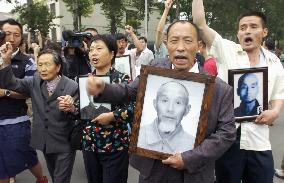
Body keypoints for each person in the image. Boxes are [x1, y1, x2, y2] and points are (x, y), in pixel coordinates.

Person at [86, 20, 236, 183]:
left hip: (195, 176)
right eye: (174, 41)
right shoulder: (154, 70)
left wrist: (190, 158)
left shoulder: (219, 89)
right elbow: (129, 91)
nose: (180, 47)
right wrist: (103, 88)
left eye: (187, 41)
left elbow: (227, 133)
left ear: (199, 45)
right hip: (153, 172)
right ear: (166, 44)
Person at [192, 0, 284, 182]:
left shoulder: (274, 62)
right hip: (228, 138)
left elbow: (278, 95)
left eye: (253, 27)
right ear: (238, 33)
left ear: (264, 32)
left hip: (259, 140)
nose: (247, 31)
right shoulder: (227, 50)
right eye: (242, 28)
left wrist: (275, 112)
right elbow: (200, 22)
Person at [0, 47, 78, 183]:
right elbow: (11, 83)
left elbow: (80, 112)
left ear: (58, 67)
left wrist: (71, 107)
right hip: (45, 141)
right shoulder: (34, 81)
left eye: (47, 64)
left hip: (64, 142)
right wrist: (6, 61)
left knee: (61, 180)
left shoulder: (72, 86)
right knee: (55, 176)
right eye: (40, 65)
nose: (42, 69)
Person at [79, 34, 134, 183]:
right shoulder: (85, 80)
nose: (94, 53)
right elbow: (81, 110)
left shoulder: (123, 80)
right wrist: (71, 106)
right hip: (90, 144)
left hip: (115, 145)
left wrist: (113, 116)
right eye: (91, 50)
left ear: (112, 54)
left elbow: (134, 108)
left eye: (99, 49)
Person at [0, 18, 48, 183]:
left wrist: (5, 93)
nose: (11, 39)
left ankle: (41, 179)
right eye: (7, 34)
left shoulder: (27, 61)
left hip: (16, 120)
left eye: (17, 35)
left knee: (28, 155)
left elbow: (30, 91)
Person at [138, 81, 195, 154]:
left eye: (178, 102)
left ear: (187, 110)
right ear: (155, 104)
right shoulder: (139, 135)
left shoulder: (192, 145)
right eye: (165, 100)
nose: (170, 109)